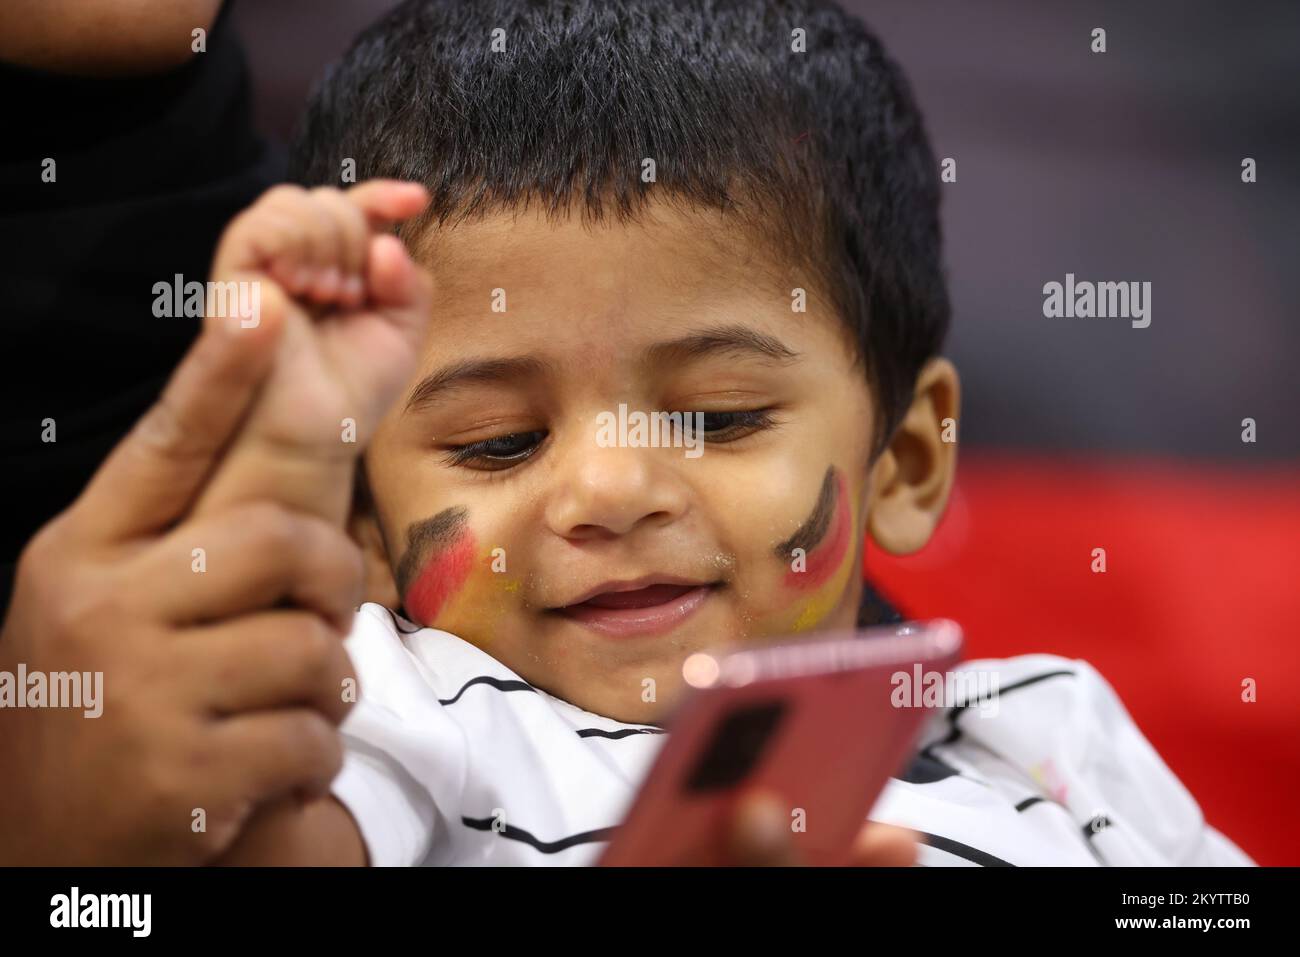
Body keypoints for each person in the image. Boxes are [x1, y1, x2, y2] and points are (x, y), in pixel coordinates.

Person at [0, 0, 1253, 866]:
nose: (606, 489)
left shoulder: (1046, 728)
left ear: (909, 461)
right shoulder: (412, 714)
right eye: (495, 443)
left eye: (715, 416)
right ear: (362, 531)